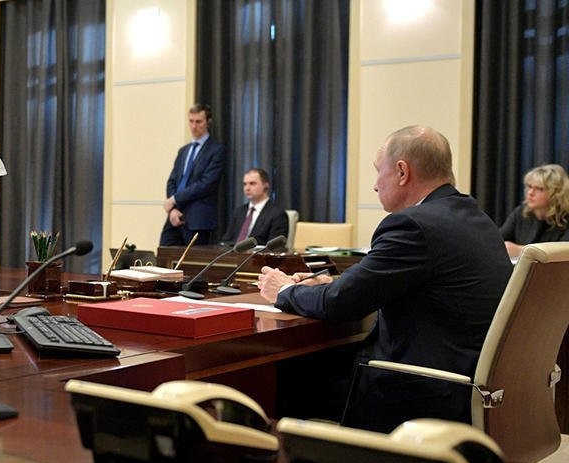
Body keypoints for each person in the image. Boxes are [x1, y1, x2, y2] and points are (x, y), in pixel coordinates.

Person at [257, 125, 512, 433]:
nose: (375, 186)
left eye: (379, 171)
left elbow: (340, 304)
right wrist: (332, 284)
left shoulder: (413, 225)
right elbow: (402, 282)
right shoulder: (474, 217)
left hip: (421, 393)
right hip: (469, 387)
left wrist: (284, 289)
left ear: (402, 172)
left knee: (281, 378)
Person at [159, 103, 227, 246]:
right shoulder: (183, 151)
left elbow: (206, 184)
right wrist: (172, 209)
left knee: (193, 258)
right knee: (164, 253)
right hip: (175, 215)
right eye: (191, 121)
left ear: (208, 122)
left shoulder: (216, 150)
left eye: (198, 122)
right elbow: (172, 181)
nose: (194, 126)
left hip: (198, 219)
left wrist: (175, 199)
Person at [499, 164, 569, 257]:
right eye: (529, 186)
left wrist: (522, 251)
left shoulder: (566, 218)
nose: (530, 193)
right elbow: (497, 240)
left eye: (539, 189)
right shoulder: (521, 213)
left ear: (556, 193)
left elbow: (564, 254)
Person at [220, 167, 289, 244]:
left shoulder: (277, 215)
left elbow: (275, 247)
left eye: (252, 183)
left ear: (266, 185)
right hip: (233, 251)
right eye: (244, 184)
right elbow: (226, 240)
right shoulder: (239, 211)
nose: (247, 188)